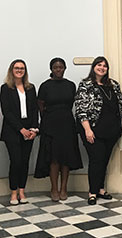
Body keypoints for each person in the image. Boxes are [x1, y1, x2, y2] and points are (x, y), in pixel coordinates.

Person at [75, 56, 122, 205]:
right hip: (92, 129)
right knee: (96, 159)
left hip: (111, 129)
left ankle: (100, 188)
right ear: (93, 67)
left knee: (104, 160)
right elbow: (81, 109)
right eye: (99, 65)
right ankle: (92, 192)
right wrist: (87, 130)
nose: (102, 68)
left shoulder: (114, 85)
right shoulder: (86, 85)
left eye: (105, 66)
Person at [34, 57, 83, 201]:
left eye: (61, 67)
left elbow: (72, 103)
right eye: (55, 67)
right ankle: (54, 188)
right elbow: (40, 105)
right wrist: (48, 118)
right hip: (50, 124)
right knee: (53, 158)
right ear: (51, 69)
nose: (58, 70)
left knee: (66, 157)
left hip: (67, 123)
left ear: (65, 68)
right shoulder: (45, 86)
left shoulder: (70, 85)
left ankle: (64, 188)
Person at [0, 59, 38, 205]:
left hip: (29, 130)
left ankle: (22, 190)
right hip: (12, 130)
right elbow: (7, 112)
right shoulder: (5, 88)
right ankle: (13, 192)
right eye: (16, 68)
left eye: (22, 68)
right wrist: (21, 129)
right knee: (16, 161)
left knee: (24, 161)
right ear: (12, 70)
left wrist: (34, 129)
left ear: (25, 71)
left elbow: (35, 110)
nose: (19, 70)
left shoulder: (30, 88)